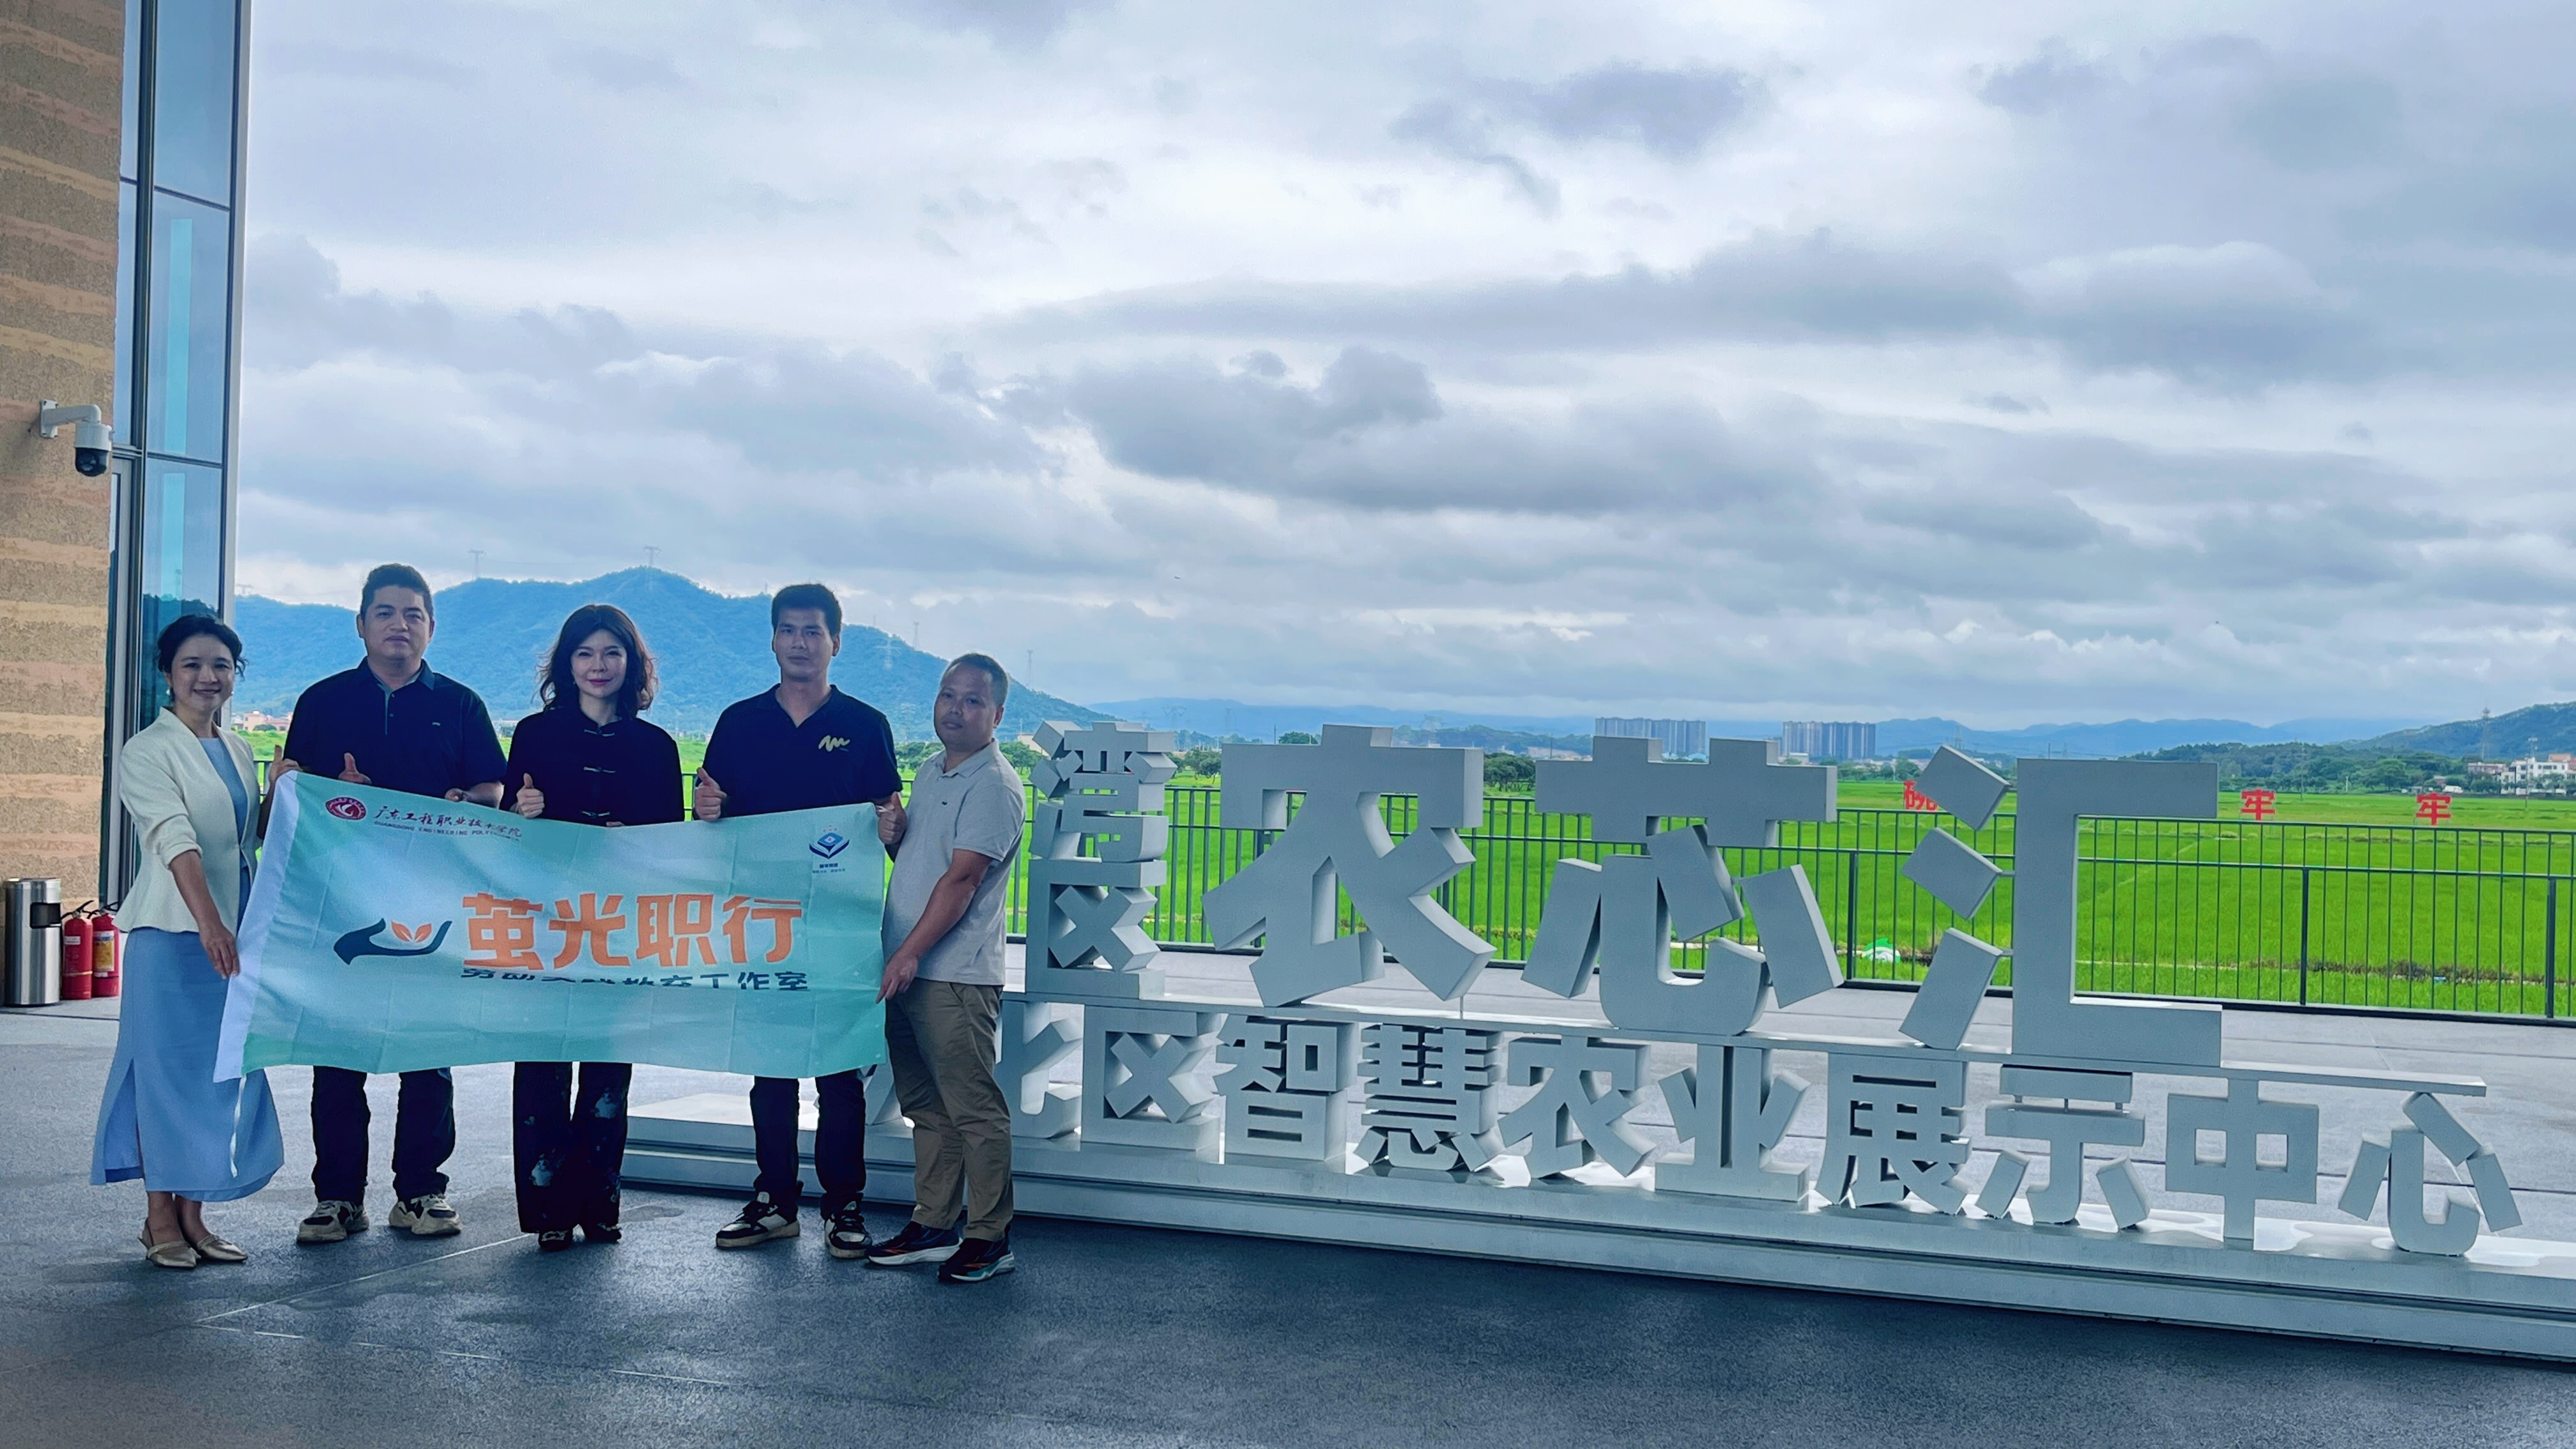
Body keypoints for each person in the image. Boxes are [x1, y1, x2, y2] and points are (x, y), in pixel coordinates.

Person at [273, 563, 506, 1245]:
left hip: (429, 903)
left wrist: (467, 799)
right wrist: (320, 788)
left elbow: (492, 788)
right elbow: (295, 797)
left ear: (431, 626)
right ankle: (338, 1198)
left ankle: (422, 1192)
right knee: (336, 1051)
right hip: (340, 903)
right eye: (385, 613)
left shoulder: (460, 704)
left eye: (413, 614)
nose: (399, 625)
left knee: (427, 1050)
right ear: (361, 624)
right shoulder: (323, 702)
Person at [694, 583, 903, 1257]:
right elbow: (712, 816)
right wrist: (705, 811)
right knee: (771, 1067)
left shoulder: (865, 725)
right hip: (763, 924)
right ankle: (774, 1201)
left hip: (840, 927)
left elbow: (890, 823)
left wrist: (894, 830)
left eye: (813, 631)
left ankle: (844, 1207)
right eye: (788, 630)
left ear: (835, 641)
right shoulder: (739, 723)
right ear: (773, 639)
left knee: (839, 1071)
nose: (800, 643)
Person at [93, 615, 286, 1269]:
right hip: (175, 938)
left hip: (231, 937)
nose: (208, 677)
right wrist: (209, 923)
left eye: (221, 665)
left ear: (236, 674)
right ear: (168, 675)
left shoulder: (235, 748)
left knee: (218, 1076)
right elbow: (175, 839)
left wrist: (277, 793)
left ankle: (194, 1216)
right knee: (164, 1078)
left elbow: (245, 841)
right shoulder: (147, 750)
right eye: (192, 665)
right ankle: (159, 1219)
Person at [504, 604, 682, 1252]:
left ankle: (601, 1205)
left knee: (609, 1069)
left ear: (632, 665)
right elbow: (506, 833)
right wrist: (520, 809)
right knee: (544, 1066)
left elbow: (673, 844)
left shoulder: (657, 747)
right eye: (585, 653)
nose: (598, 666)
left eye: (612, 653)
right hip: (546, 924)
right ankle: (548, 1209)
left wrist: (634, 840)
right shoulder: (533, 735)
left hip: (620, 928)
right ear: (566, 664)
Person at [862, 654, 1027, 1284]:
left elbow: (962, 881)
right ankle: (934, 1222)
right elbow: (924, 861)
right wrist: (896, 836)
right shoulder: (934, 770)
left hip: (955, 974)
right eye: (947, 695)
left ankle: (989, 1235)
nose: (956, 709)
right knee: (926, 1107)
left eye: (972, 700)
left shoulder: (995, 786)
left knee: (974, 1110)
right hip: (908, 967)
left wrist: (909, 953)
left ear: (997, 715)